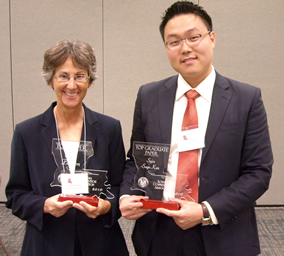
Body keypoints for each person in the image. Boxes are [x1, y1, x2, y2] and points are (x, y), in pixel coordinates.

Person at [119, 1, 273, 256]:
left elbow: (258, 172)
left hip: (222, 230)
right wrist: (126, 196)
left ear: (211, 38)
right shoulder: (149, 96)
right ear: (166, 47)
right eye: (174, 41)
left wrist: (205, 211)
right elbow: (136, 161)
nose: (186, 48)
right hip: (159, 230)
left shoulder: (246, 99)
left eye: (194, 37)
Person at [6, 40, 129, 256]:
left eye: (80, 76)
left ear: (89, 81)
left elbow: (120, 185)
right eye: (63, 76)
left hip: (100, 242)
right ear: (50, 80)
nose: (71, 85)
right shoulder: (27, 132)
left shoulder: (109, 128)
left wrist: (107, 206)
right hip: (47, 243)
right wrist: (44, 205)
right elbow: (16, 195)